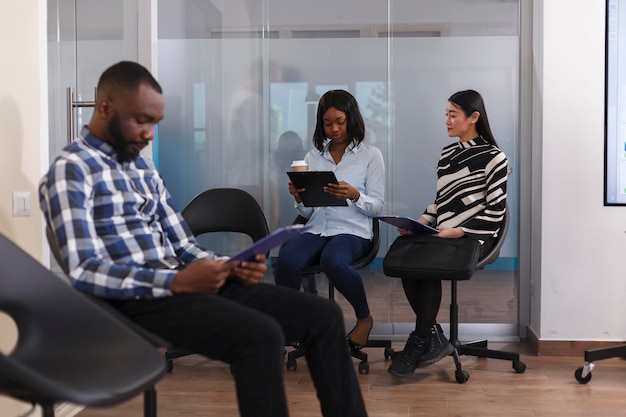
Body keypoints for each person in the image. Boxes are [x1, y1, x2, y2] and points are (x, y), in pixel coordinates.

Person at [38, 61, 368, 417]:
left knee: (324, 315)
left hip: (181, 284)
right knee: (261, 335)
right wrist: (177, 279)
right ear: (105, 108)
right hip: (133, 299)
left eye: (154, 123)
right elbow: (84, 270)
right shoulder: (71, 170)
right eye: (141, 120)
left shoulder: (141, 168)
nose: (149, 134)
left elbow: (183, 245)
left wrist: (226, 268)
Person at [387, 89, 509, 378]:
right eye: (447, 115)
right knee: (407, 256)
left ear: (473, 117)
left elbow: (496, 211)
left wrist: (460, 230)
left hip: (475, 235)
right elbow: (441, 202)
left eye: (453, 115)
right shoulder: (446, 154)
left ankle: (419, 341)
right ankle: (431, 333)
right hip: (443, 232)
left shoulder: (494, 158)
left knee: (425, 265)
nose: (447, 121)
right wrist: (420, 220)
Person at [274, 89, 385, 350]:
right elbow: (308, 213)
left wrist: (355, 194)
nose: (334, 128)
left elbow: (378, 207)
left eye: (340, 122)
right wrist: (300, 197)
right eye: (327, 123)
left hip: (353, 231)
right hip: (317, 229)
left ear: (351, 120)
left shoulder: (371, 156)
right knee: (286, 260)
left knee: (333, 261)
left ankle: (364, 318)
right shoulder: (313, 158)